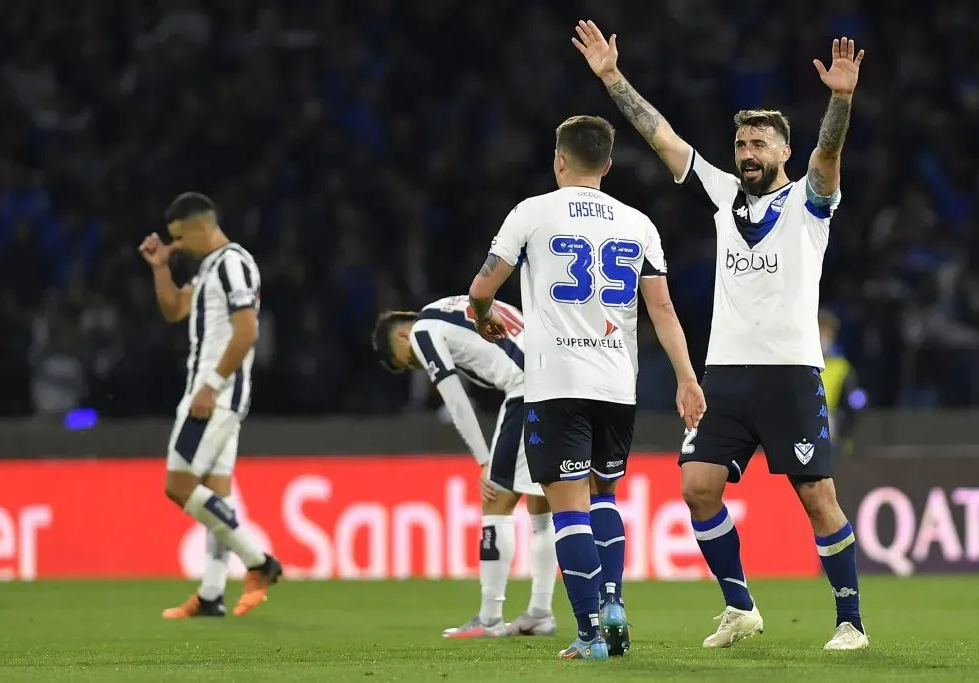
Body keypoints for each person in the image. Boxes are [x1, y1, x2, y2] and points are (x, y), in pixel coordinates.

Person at [573, 20, 869, 650]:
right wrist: (612, 77)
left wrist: (840, 99)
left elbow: (828, 156)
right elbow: (661, 137)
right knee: (698, 488)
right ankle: (740, 607)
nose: (747, 153)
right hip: (727, 375)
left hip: (790, 372)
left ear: (783, 152)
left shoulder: (810, 204)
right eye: (740, 144)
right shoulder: (725, 194)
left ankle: (850, 621)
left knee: (818, 498)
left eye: (759, 144)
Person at [467, 115, 706, 660]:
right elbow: (663, 310)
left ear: (559, 160)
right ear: (608, 165)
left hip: (556, 383)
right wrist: (688, 378)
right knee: (604, 496)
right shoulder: (639, 223)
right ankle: (614, 601)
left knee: (568, 508)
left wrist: (483, 316)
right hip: (618, 384)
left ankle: (591, 631)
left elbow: (481, 288)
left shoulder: (531, 212)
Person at [371, 296, 558, 638]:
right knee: (541, 507)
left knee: (496, 500)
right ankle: (540, 613)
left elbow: (455, 399)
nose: (415, 365)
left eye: (407, 361)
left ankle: (489, 619)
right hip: (557, 379)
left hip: (527, 388)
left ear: (401, 336)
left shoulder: (422, 331)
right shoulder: (449, 307)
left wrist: (484, 459)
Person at [138, 192, 281, 619]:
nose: (177, 245)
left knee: (178, 484)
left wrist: (211, 386)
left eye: (180, 237)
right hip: (212, 394)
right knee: (216, 495)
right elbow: (175, 309)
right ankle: (212, 594)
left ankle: (259, 561)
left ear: (202, 227)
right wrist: (161, 268)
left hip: (214, 395)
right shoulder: (209, 270)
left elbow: (247, 331)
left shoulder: (234, 264)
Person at [819, 309, 865, 454]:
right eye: (822, 332)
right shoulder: (797, 366)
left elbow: (853, 406)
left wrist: (843, 436)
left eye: (829, 334)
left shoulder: (842, 368)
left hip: (829, 435)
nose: (825, 339)